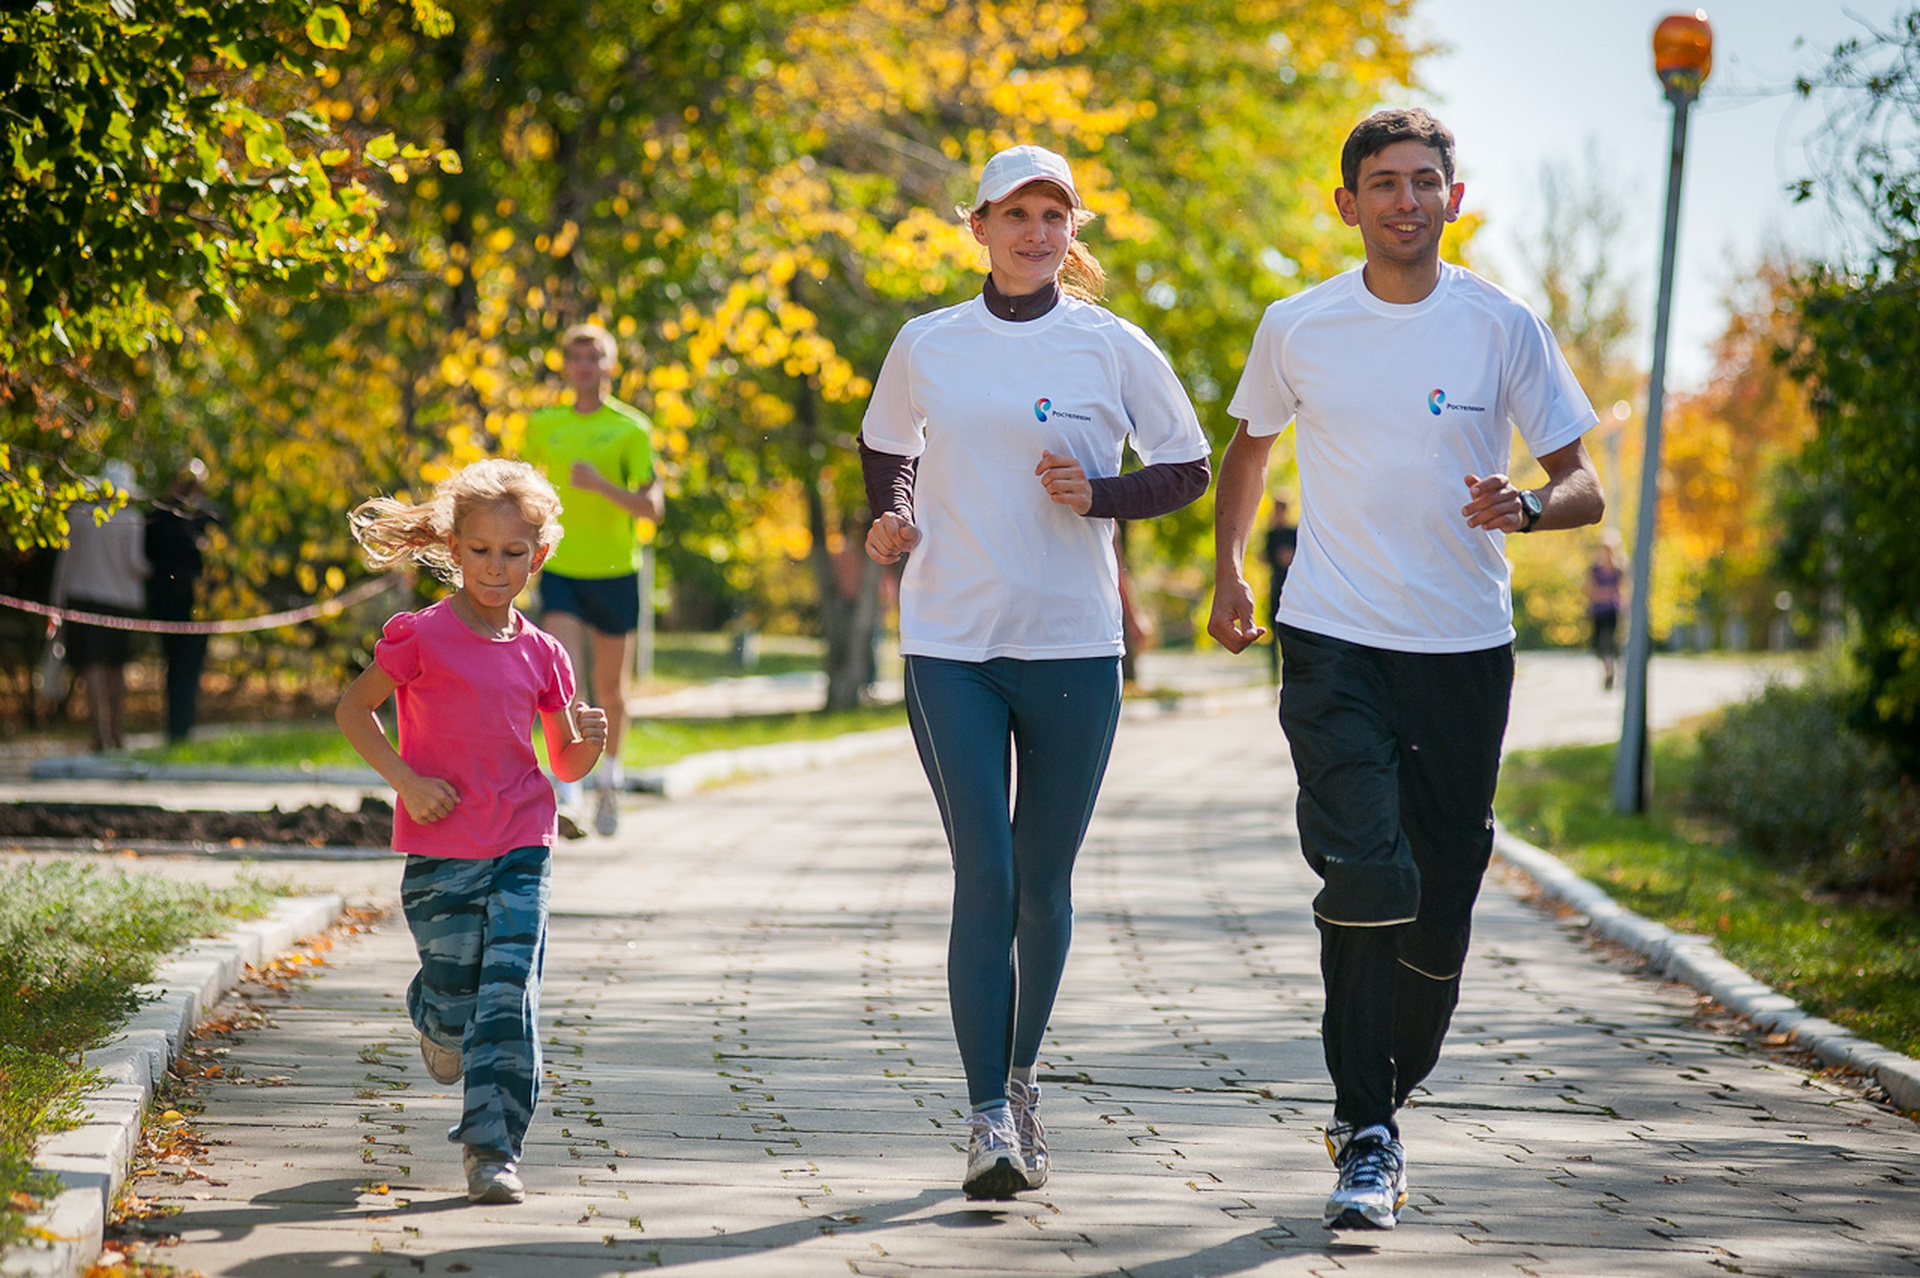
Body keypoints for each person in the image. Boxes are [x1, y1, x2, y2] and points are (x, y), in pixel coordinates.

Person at [1206, 109, 1604, 1232]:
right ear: (1347, 204)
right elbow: (1249, 445)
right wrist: (1232, 572)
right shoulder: (1299, 325)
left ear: (1453, 198)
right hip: (1332, 635)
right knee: (1367, 876)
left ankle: (1390, 1079)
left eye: (1426, 181)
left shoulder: (1501, 326)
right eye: (1383, 182)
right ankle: (1367, 1128)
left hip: (1464, 650)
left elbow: (1585, 484)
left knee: (1442, 891)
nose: (1405, 200)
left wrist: (1526, 506)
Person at [861, 144, 1212, 1200]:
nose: (1034, 231)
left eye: (1053, 214)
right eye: (1015, 213)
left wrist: (1101, 494)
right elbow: (888, 445)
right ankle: (983, 1124)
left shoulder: (1112, 345)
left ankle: (1018, 1083)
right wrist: (895, 515)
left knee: (1044, 884)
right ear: (978, 226)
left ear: (1073, 230)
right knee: (989, 876)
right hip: (951, 641)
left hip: (1072, 642)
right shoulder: (929, 343)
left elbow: (1188, 465)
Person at [335, 457, 608, 1205]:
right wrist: (407, 783)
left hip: (523, 839)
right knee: (458, 998)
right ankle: (435, 1014)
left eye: (513, 553)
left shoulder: (545, 652)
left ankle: (493, 1147)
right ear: (454, 550)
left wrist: (591, 738)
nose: (496, 567)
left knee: (510, 991)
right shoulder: (419, 635)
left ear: (539, 555)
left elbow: (564, 762)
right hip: (439, 850)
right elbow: (353, 712)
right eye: (481, 551)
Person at [519, 322, 663, 837]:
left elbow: (652, 507)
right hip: (558, 567)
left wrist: (601, 486)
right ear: (566, 366)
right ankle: (569, 789)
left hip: (615, 570)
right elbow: (521, 491)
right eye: (576, 357)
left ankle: (611, 778)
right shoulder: (543, 425)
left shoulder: (631, 428)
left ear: (609, 366)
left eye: (594, 357)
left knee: (610, 689)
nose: (585, 366)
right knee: (564, 680)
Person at [49, 461, 150, 751]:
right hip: (122, 603)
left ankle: (100, 733)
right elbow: (136, 565)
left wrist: (56, 603)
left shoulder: (78, 515)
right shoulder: (132, 519)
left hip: (83, 599)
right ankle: (117, 733)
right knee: (115, 668)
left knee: (92, 667)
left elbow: (64, 564)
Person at [145, 459, 222, 742]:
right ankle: (175, 729)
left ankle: (183, 728)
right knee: (174, 665)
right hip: (168, 606)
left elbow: (221, 564)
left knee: (190, 667)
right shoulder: (160, 516)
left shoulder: (211, 516)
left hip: (202, 610)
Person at [1260, 496, 1297, 684]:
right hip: (1275, 588)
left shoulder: (1294, 532)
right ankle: (1274, 680)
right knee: (1273, 636)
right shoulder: (1271, 535)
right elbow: (1264, 557)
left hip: (1293, 589)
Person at [1586, 534, 1625, 691]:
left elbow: (1624, 590)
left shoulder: (1618, 570)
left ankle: (1610, 670)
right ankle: (1607, 667)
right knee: (1597, 645)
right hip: (1598, 611)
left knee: (1610, 643)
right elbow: (1589, 589)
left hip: (1612, 611)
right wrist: (1604, 594)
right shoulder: (1594, 570)